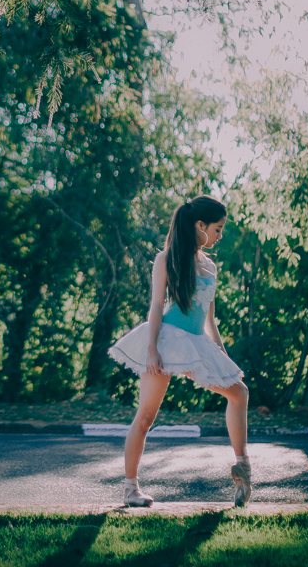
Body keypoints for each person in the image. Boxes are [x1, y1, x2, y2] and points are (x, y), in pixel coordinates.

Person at [107, 195, 251, 507]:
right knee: (145, 416)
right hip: (167, 340)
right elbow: (157, 306)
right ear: (200, 225)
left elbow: (209, 320)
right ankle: (131, 489)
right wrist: (151, 351)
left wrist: (222, 355)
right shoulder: (167, 259)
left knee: (239, 393)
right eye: (218, 228)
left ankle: (243, 469)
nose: (220, 235)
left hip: (197, 343)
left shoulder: (211, 266)